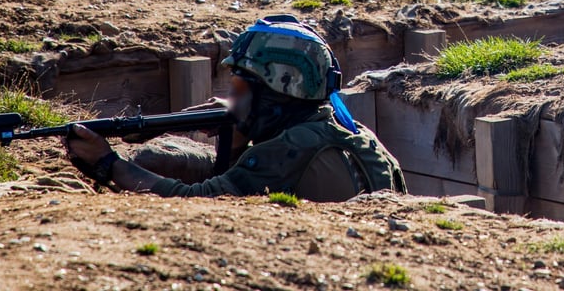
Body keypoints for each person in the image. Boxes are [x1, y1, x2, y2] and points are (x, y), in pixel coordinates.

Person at [65, 15, 406, 199]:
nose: (232, 96)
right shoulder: (355, 133)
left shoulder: (290, 149)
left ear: (280, 90)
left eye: (241, 87)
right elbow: (238, 185)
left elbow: (198, 200)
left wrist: (109, 164)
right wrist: (239, 135)